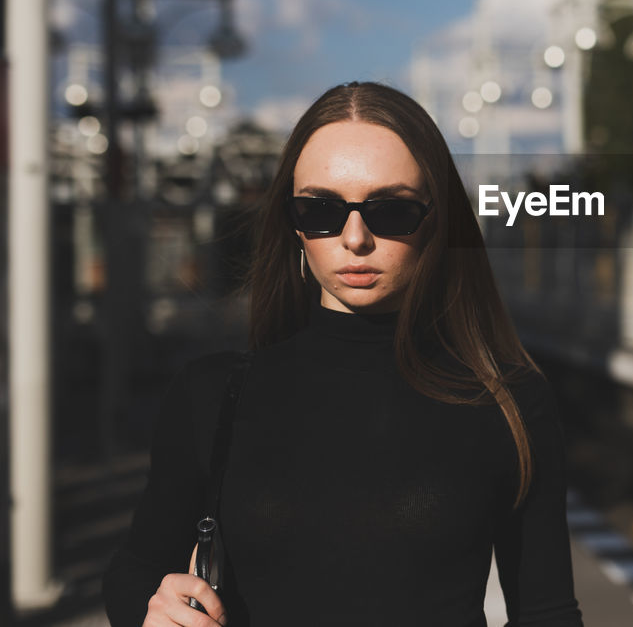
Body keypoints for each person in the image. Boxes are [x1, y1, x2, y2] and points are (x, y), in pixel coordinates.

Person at [103, 81, 585, 626]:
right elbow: (134, 570)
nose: (355, 237)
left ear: (436, 219)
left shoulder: (508, 400)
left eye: (391, 210)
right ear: (292, 223)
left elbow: (547, 613)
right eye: (321, 210)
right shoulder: (213, 395)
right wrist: (153, 608)